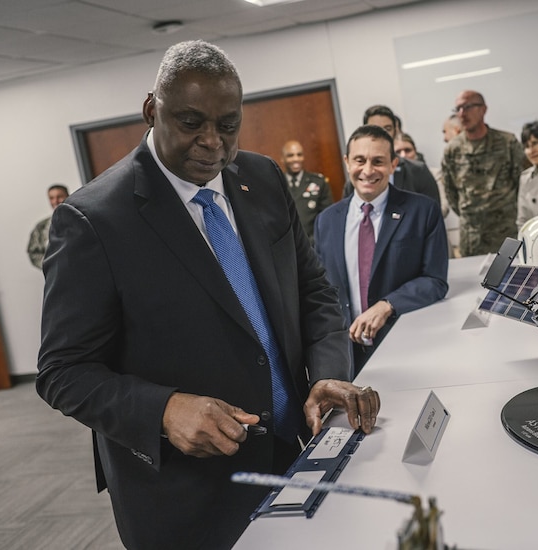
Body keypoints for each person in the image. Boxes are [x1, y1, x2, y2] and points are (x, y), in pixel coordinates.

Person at [35, 40, 380, 550]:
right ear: (152, 110)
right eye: (191, 122)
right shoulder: (93, 220)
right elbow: (62, 371)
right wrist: (164, 409)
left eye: (227, 125)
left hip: (296, 451)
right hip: (188, 495)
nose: (213, 143)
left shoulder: (261, 178)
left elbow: (313, 291)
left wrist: (328, 371)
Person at [315, 125, 448, 375]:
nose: (367, 170)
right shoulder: (327, 221)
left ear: (393, 163)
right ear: (346, 162)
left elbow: (435, 281)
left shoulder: (423, 211)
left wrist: (387, 305)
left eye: (378, 161)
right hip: (349, 356)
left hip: (410, 345)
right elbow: (322, 289)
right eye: (359, 160)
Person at [442, 90, 524, 256]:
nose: (462, 114)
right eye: (457, 109)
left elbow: (521, 183)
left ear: (483, 109)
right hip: (472, 238)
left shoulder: (508, 142)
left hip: (505, 234)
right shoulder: (453, 149)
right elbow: (451, 192)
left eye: (467, 107)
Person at [342, 105, 441, 204]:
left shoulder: (417, 171)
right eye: (375, 129)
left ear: (396, 131)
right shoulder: (356, 179)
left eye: (387, 128)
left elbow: (432, 213)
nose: (381, 133)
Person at [280, 139, 333, 244]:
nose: (296, 159)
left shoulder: (318, 182)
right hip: (288, 247)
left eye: (299, 155)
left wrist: (314, 241)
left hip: (315, 244)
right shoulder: (277, 183)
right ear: (282, 158)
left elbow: (327, 216)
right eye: (290, 155)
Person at [27, 184, 68, 269]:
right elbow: (33, 252)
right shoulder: (42, 227)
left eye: (59, 196)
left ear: (68, 196)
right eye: (51, 198)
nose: (55, 201)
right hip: (59, 277)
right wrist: (51, 266)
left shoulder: (80, 220)